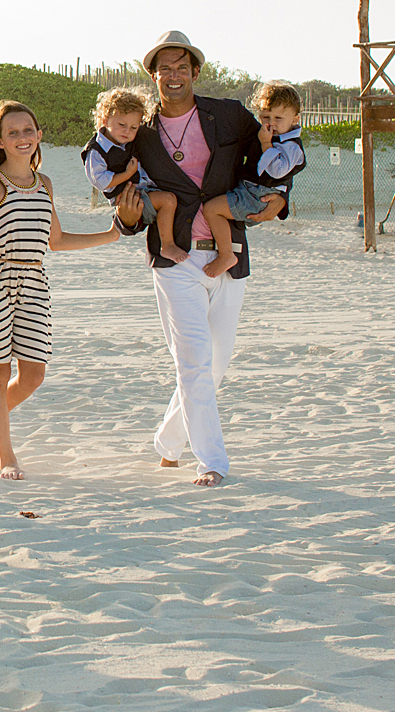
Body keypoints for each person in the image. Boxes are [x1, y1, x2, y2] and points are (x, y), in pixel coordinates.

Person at [113, 31, 286, 487]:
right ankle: (212, 460)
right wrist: (129, 220)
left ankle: (168, 442)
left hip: (231, 252)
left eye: (181, 67)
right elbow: (124, 190)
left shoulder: (228, 115)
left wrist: (281, 202)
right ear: (153, 75)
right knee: (193, 360)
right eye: (164, 68)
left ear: (195, 72)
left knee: (216, 363)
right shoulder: (138, 128)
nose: (173, 75)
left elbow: (272, 155)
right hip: (176, 258)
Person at [0, 101, 121, 480]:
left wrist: (110, 234)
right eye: (13, 133)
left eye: (28, 130)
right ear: (0, 141)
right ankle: (5, 456)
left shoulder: (44, 184)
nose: (22, 138)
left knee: (33, 375)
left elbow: (55, 240)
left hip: (34, 284)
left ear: (39, 135)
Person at [198, 82, 305, 278]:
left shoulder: (291, 146)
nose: (270, 123)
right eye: (265, 117)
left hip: (257, 195)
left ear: (295, 119)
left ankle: (226, 255)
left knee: (213, 209)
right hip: (250, 189)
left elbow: (278, 171)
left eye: (278, 118)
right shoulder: (271, 135)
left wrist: (265, 143)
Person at [81, 87, 181, 260]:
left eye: (134, 127)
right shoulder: (96, 151)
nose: (127, 131)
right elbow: (101, 181)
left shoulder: (126, 143)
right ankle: (167, 245)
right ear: (105, 119)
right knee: (168, 200)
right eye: (122, 125)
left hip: (143, 189)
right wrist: (128, 174)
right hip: (129, 199)